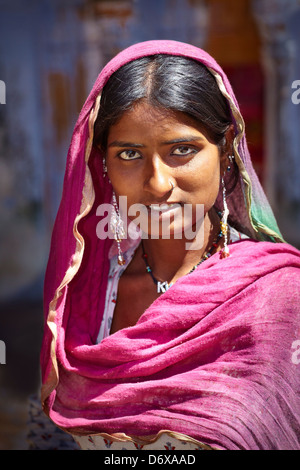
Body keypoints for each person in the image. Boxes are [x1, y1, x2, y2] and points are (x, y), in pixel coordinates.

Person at [40, 40, 300, 450]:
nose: (158, 184)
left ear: (226, 148)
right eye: (129, 153)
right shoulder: (86, 295)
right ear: (103, 164)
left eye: (183, 150)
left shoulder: (277, 297)